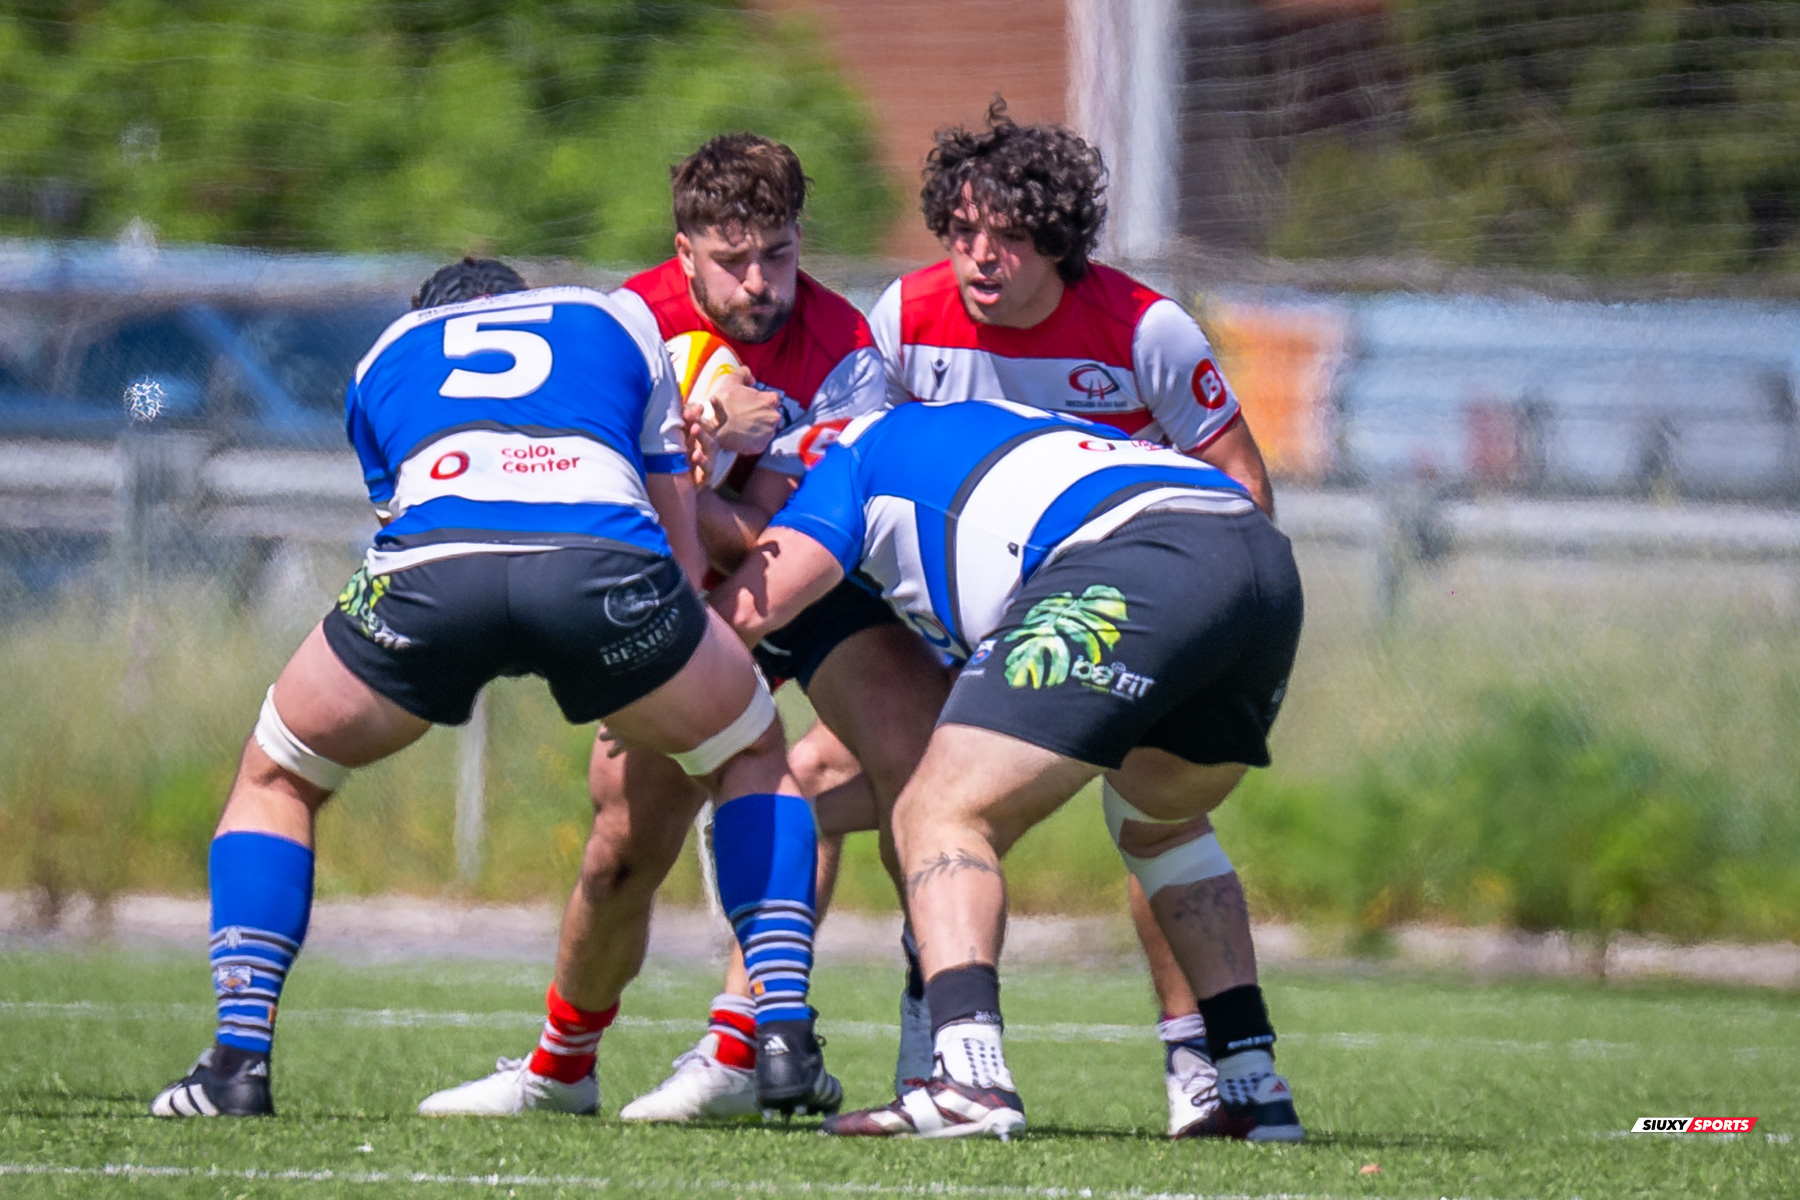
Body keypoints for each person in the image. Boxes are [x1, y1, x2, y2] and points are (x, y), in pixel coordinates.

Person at [150, 258, 811, 1119]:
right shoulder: (613, 319)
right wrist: (665, 672)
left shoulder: (384, 353)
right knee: (751, 748)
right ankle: (783, 1037)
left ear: (428, 313)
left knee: (279, 770)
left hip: (434, 573)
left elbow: (408, 522)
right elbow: (681, 553)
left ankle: (236, 1063)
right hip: (600, 567)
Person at [417, 136, 949, 1122]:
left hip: (824, 589)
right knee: (624, 837)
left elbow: (824, 529)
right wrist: (706, 465)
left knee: (927, 776)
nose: (760, 282)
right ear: (683, 252)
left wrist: (707, 487)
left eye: (779, 254)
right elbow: (604, 498)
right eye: (732, 259)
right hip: (681, 591)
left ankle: (920, 1063)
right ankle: (561, 1069)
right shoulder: (621, 327)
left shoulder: (842, 351)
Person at [851, 100, 1278, 1137]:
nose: (978, 260)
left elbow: (1243, 482)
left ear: (1061, 240)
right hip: (957, 619)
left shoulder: (1145, 329)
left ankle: (1180, 1079)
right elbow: (858, 466)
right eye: (960, 234)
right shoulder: (903, 318)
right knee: (826, 777)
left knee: (1139, 813)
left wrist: (1195, 641)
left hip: (1123, 601)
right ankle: (774, 1029)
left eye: (1006, 238)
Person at [711, 399, 1306, 1142]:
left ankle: (968, 1077)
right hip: (1259, 561)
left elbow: (753, 605)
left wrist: (656, 678)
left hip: (1138, 554)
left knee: (939, 808)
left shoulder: (853, 456)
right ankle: (1251, 1085)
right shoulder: (1003, 426)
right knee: (1160, 823)